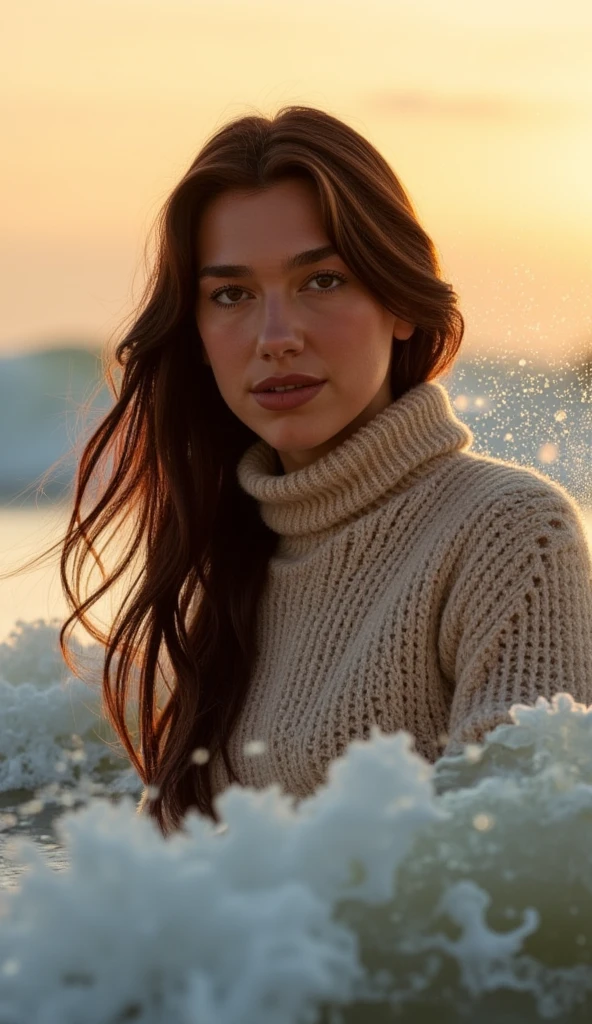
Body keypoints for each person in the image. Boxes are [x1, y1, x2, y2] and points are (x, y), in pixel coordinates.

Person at [55, 105, 592, 837]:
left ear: (401, 301)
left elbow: (519, 881)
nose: (276, 337)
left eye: (323, 281)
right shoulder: (228, 557)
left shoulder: (510, 533)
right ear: (200, 336)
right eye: (232, 295)